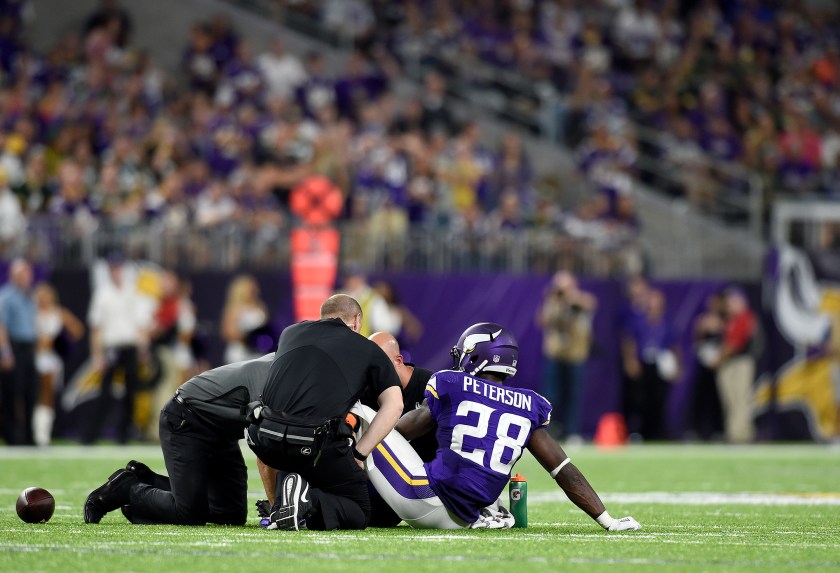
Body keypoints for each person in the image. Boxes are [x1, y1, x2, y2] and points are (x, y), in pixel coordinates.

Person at [353, 322, 641, 531]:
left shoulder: (451, 383)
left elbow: (400, 432)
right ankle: (489, 511)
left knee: (367, 415)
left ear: (476, 355)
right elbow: (563, 470)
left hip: (424, 499)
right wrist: (607, 520)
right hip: (465, 518)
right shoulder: (528, 404)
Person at [248, 294, 403, 531]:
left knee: (295, 451)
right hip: (315, 444)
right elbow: (395, 405)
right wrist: (359, 455)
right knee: (359, 511)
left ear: (322, 317)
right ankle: (306, 500)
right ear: (357, 320)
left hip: (266, 440)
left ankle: (284, 504)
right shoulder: (367, 348)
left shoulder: (290, 333)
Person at [83, 353, 275, 525]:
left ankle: (146, 479)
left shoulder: (284, 368)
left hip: (220, 430)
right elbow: (268, 452)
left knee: (229, 513)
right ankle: (127, 488)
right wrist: (278, 509)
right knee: (189, 513)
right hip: (189, 419)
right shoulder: (277, 379)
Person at [83, 254, 152, 444]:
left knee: (131, 392)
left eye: (119, 267)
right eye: (113, 268)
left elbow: (141, 325)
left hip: (130, 347)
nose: (117, 272)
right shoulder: (103, 293)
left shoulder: (134, 293)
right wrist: (97, 356)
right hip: (112, 348)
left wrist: (143, 350)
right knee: (105, 393)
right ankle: (91, 434)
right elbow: (96, 328)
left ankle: (125, 434)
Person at [536, 271, 597, 441]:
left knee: (573, 396)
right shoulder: (552, 302)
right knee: (550, 395)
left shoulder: (580, 299)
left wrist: (571, 298)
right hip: (555, 354)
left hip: (576, 355)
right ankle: (547, 431)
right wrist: (554, 300)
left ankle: (572, 432)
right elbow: (542, 321)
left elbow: (590, 304)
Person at [32, 282, 85, 447]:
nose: (45, 299)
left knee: (47, 395)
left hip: (51, 359)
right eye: (42, 296)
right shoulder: (33, 313)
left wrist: (60, 343)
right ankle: (34, 432)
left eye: (47, 296)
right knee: (34, 395)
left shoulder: (58, 312)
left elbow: (78, 330)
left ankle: (42, 434)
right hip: (34, 357)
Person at [0, 258, 37, 445]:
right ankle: (12, 436)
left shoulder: (30, 296)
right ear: (13, 275)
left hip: (29, 347)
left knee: (30, 393)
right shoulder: (6, 296)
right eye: (22, 274)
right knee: (12, 393)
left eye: (28, 273)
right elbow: (1, 327)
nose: (26, 277)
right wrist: (6, 353)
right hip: (14, 348)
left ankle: (29, 436)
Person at [715, 287, 757, 443]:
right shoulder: (729, 320)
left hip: (740, 363)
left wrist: (718, 359)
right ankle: (734, 433)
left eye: (732, 302)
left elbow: (734, 345)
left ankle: (741, 435)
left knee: (741, 400)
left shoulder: (744, 318)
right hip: (729, 364)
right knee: (731, 401)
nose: (729, 306)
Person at [220, 274, 268, 364]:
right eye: (252, 289)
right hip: (240, 355)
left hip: (258, 354)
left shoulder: (260, 307)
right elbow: (228, 333)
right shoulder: (235, 309)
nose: (256, 291)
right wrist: (249, 338)